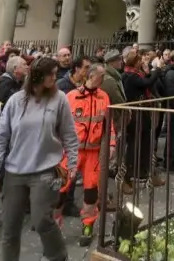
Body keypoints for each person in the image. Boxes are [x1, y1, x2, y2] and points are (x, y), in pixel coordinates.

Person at [0, 56, 79, 261]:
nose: (55, 78)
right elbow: (0, 137)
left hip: (46, 171)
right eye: (51, 74)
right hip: (15, 172)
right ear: (38, 76)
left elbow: (69, 134)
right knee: (10, 227)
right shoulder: (15, 101)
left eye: (56, 74)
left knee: (42, 220)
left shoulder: (59, 99)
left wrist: (73, 163)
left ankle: (58, 256)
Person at [63, 64, 110, 245]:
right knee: (61, 187)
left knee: (91, 190)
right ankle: (53, 224)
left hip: (93, 152)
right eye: (101, 75)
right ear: (91, 76)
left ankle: (88, 224)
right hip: (72, 150)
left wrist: (111, 144)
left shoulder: (103, 97)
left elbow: (108, 124)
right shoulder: (71, 97)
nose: (103, 79)